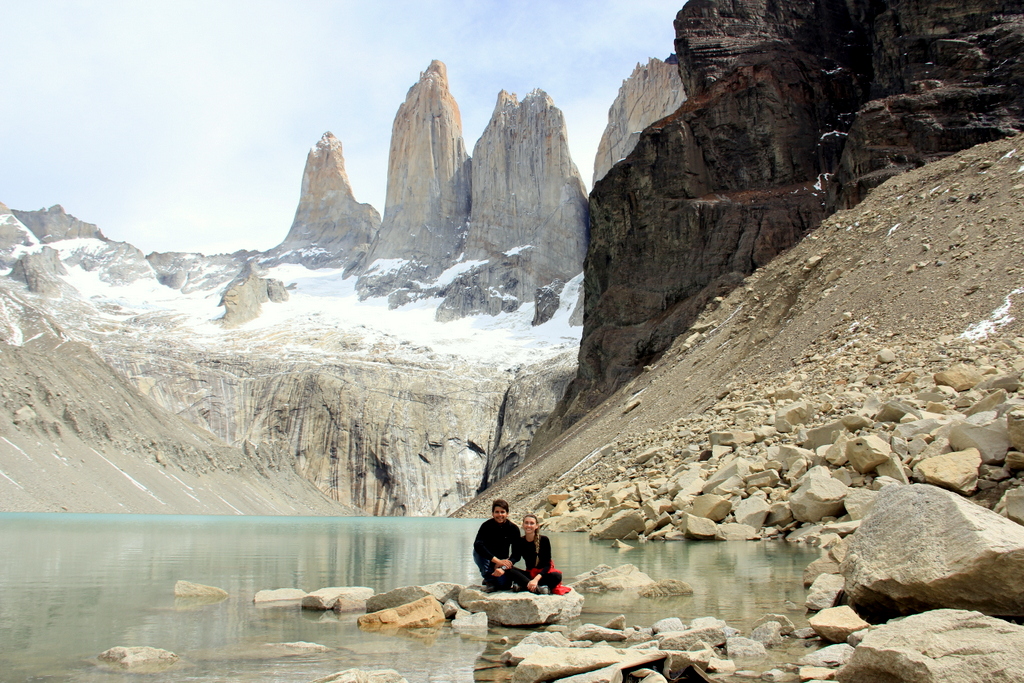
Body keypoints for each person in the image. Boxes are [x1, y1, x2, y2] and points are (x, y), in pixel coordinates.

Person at [508, 514, 564, 594]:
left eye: (531, 523)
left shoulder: (544, 540)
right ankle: (538, 588)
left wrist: (536, 579)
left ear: (536, 526)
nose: (529, 525)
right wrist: (503, 566)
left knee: (557, 576)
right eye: (526, 523)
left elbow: (547, 564)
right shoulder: (519, 541)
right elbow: (514, 558)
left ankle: (524, 585)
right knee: (508, 570)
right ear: (523, 525)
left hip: (542, 575)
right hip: (529, 574)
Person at [472, 499, 520, 591]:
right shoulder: (486, 526)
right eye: (497, 512)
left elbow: (516, 555)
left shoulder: (513, 529)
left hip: (502, 562)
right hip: (488, 559)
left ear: (507, 513)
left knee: (504, 585)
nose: (500, 515)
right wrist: (497, 561)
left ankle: (490, 579)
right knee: (477, 551)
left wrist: (503, 566)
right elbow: (478, 545)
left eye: (502, 512)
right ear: (492, 513)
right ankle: (489, 580)